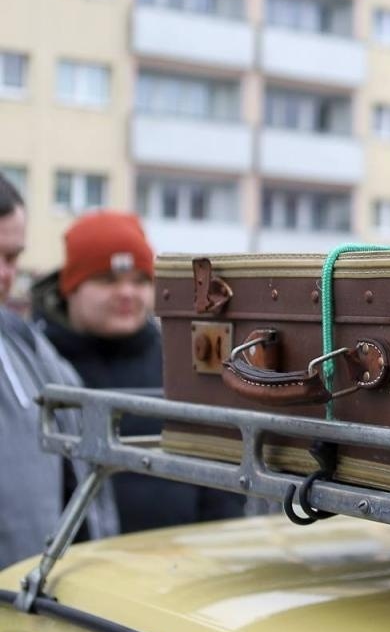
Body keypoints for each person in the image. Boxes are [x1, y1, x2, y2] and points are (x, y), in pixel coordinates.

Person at [32, 210, 243, 533]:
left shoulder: (180, 363)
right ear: (69, 287)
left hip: (179, 563)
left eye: (140, 280)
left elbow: (220, 473)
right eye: (107, 280)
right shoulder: (34, 364)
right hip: (64, 568)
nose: (127, 293)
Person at [0, 176, 119, 567]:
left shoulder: (25, 345)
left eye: (12, 258)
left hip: (25, 612)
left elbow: (88, 484)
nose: (5, 274)